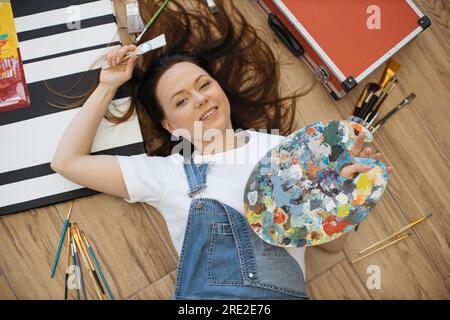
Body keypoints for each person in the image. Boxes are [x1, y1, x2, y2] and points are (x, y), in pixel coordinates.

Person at [51, 1, 392, 299]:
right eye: (181, 101)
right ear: (170, 126)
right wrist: (108, 85)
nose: (200, 98)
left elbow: (330, 247)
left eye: (204, 85)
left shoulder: (286, 150)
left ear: (219, 90)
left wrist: (347, 196)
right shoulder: (166, 174)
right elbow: (66, 161)